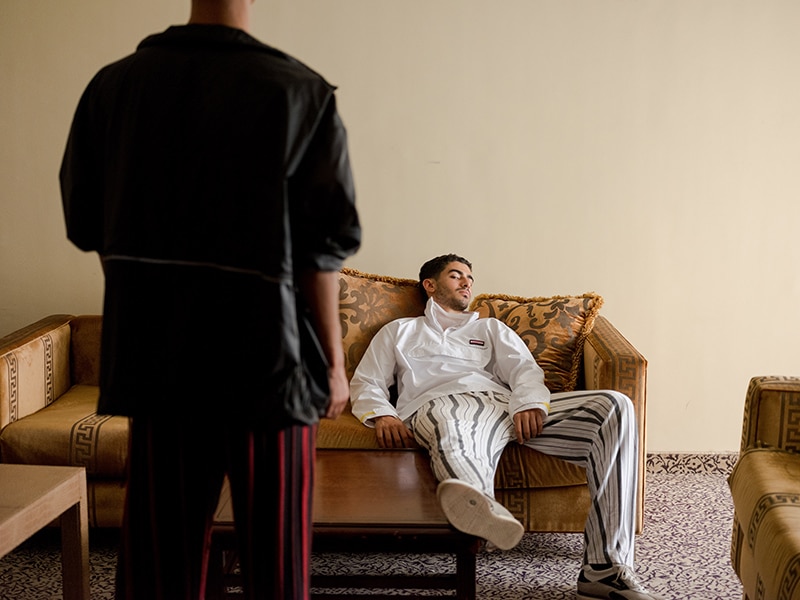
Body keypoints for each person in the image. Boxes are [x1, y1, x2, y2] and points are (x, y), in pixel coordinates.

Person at [59, 1, 360, 598]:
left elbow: (91, 225)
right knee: (277, 565)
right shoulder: (298, 91)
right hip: (270, 366)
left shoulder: (115, 87)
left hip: (158, 361)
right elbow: (320, 251)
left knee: (157, 566)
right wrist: (333, 364)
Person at [350, 254, 665, 600]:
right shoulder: (399, 331)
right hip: (440, 403)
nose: (467, 282)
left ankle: (605, 568)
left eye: (469, 277)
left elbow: (524, 371)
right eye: (456, 276)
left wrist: (528, 403)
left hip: (505, 407)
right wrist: (383, 414)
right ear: (430, 285)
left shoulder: (489, 329)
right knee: (455, 424)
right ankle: (480, 506)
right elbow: (367, 382)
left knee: (614, 406)